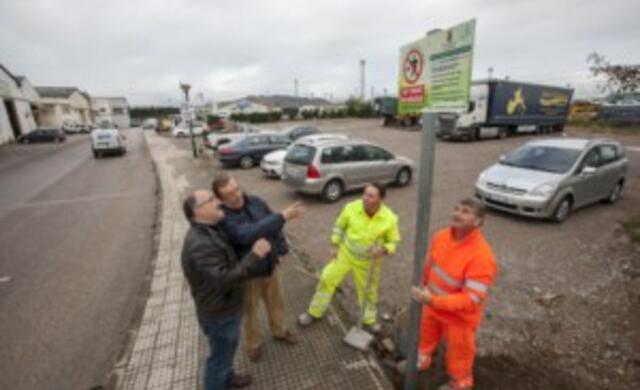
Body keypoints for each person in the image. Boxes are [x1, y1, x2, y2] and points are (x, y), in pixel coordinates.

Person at [180, 190, 272, 390]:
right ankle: (218, 383)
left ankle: (228, 378)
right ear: (199, 211)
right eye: (212, 200)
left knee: (226, 352)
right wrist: (254, 255)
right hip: (219, 314)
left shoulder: (211, 228)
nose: (219, 203)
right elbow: (224, 279)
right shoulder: (200, 243)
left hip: (224, 306)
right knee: (219, 358)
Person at [212, 174, 306, 362]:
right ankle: (253, 343)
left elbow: (274, 226)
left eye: (236, 189)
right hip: (248, 275)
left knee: (277, 303)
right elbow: (246, 235)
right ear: (220, 199)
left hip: (271, 268)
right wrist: (283, 215)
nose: (236, 195)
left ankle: (279, 331)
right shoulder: (224, 218)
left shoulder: (256, 202)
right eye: (229, 194)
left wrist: (280, 249)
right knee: (250, 311)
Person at [411, 198, 498, 390]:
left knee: (459, 354)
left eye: (465, 211)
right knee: (425, 337)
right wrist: (422, 283)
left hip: (459, 317)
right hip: (432, 306)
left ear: (478, 222)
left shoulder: (482, 256)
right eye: (456, 208)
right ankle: (421, 361)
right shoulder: (441, 236)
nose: (457, 213)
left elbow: (472, 299)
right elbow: (430, 264)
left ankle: (460, 383)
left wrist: (433, 299)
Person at [298, 183, 400, 332]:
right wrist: (335, 244)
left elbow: (393, 242)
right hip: (345, 254)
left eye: (371, 196)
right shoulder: (351, 208)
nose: (365, 198)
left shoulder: (389, 218)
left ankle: (369, 320)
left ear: (381, 199)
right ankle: (314, 312)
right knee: (327, 278)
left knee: (368, 292)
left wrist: (384, 249)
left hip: (368, 262)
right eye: (364, 194)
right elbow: (339, 227)